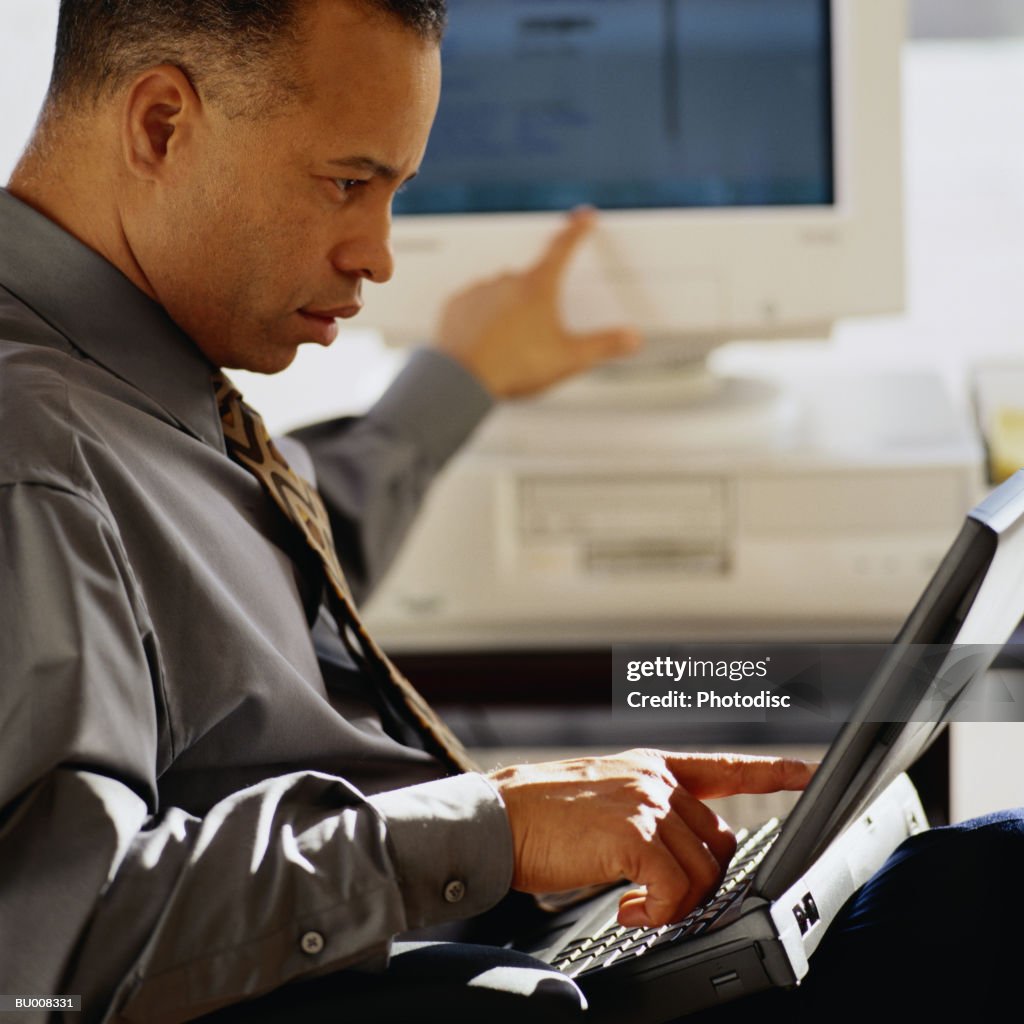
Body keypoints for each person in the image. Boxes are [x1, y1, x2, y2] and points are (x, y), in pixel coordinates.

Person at [2, 3, 1020, 1024]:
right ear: (161, 126)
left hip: (492, 945)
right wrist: (489, 826)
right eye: (347, 183)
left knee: (961, 869)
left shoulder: (127, 391)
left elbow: (240, 570)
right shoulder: (34, 455)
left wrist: (461, 378)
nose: (378, 253)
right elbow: (42, 946)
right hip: (454, 989)